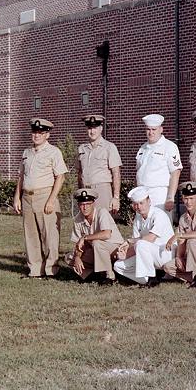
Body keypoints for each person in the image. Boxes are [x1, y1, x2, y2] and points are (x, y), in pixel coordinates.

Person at [13, 118, 67, 278]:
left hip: (45, 196)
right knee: (31, 235)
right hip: (27, 197)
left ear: (47, 135)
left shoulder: (54, 152)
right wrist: (17, 197)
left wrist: (51, 200)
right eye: (34, 132)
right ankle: (35, 270)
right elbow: (21, 177)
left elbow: (60, 177)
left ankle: (51, 270)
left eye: (40, 133)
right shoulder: (26, 152)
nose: (36, 135)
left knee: (49, 234)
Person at [113, 186, 175, 287]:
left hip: (165, 254)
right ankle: (146, 280)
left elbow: (151, 238)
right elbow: (136, 244)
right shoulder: (138, 218)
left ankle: (152, 278)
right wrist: (125, 255)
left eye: (141, 203)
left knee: (141, 244)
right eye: (136, 204)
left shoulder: (159, 214)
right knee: (118, 266)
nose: (139, 207)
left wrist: (129, 241)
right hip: (147, 254)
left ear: (149, 201)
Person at [65, 188, 124, 284]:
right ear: (78, 205)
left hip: (114, 250)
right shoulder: (78, 219)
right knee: (70, 257)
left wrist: (84, 238)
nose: (85, 208)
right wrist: (77, 257)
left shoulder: (102, 212)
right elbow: (79, 245)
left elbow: (106, 234)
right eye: (82, 205)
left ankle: (110, 276)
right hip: (97, 250)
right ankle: (93, 275)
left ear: (93, 204)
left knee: (97, 243)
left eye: (88, 204)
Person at [135, 114, 182, 213]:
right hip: (142, 194)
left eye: (154, 129)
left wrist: (170, 197)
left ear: (161, 129)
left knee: (160, 226)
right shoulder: (142, 148)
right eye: (148, 129)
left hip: (159, 195)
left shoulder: (169, 147)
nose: (151, 132)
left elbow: (175, 173)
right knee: (143, 226)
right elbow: (138, 172)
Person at [76, 114, 122, 213]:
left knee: (103, 222)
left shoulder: (109, 147)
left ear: (101, 128)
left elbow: (116, 173)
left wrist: (116, 197)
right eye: (89, 128)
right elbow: (79, 173)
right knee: (87, 224)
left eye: (95, 128)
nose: (92, 131)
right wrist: (80, 192)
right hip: (85, 191)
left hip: (102, 191)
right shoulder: (82, 149)